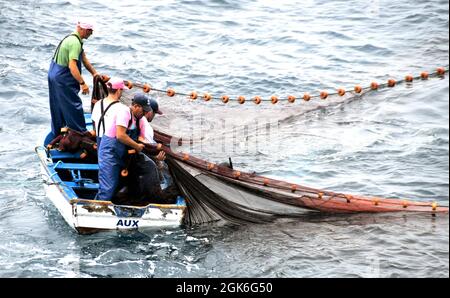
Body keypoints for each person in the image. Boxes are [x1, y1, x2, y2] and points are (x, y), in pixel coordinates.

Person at [45, 19, 98, 146]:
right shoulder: (75, 43)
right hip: (63, 78)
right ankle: (80, 134)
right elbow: (72, 66)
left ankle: (58, 131)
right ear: (83, 29)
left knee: (57, 105)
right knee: (73, 104)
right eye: (90, 31)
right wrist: (82, 83)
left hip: (54, 75)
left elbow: (84, 59)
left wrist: (95, 73)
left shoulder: (71, 39)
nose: (91, 33)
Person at [96, 94, 151, 201]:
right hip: (110, 153)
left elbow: (141, 137)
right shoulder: (125, 112)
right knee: (108, 187)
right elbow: (120, 135)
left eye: (146, 111)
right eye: (143, 110)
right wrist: (136, 146)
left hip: (122, 155)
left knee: (120, 185)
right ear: (135, 106)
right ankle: (96, 209)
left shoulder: (139, 119)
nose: (144, 113)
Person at [91, 77, 127, 147]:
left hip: (99, 144)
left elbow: (95, 123)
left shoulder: (97, 104)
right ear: (119, 90)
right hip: (112, 146)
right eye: (122, 90)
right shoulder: (122, 108)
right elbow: (121, 135)